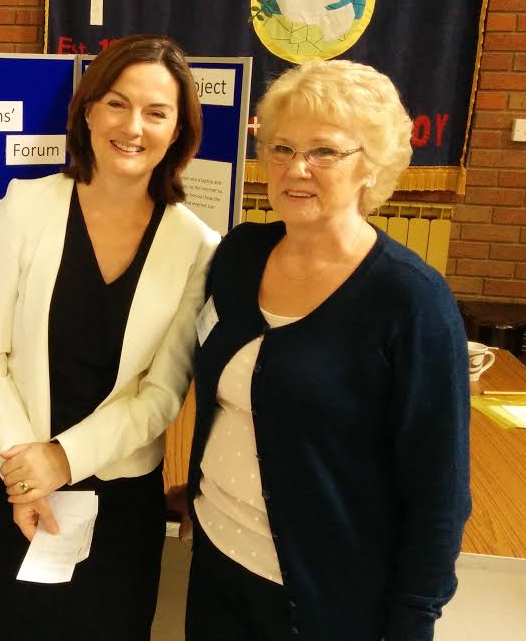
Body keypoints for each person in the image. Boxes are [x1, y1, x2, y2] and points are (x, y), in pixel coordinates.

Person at [184, 60, 470, 640]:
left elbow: (438, 489)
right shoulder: (240, 256)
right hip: (215, 561)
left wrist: (414, 620)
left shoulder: (410, 299)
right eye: (282, 148)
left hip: (321, 596)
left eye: (324, 152)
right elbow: (234, 399)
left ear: (372, 167)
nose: (296, 169)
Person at [0, 35, 221, 641]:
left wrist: (63, 459)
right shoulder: (26, 205)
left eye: (157, 112)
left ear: (179, 131)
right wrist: (26, 469)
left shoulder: (196, 246)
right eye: (117, 103)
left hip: (119, 492)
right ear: (87, 110)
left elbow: (162, 394)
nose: (134, 127)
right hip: (9, 474)